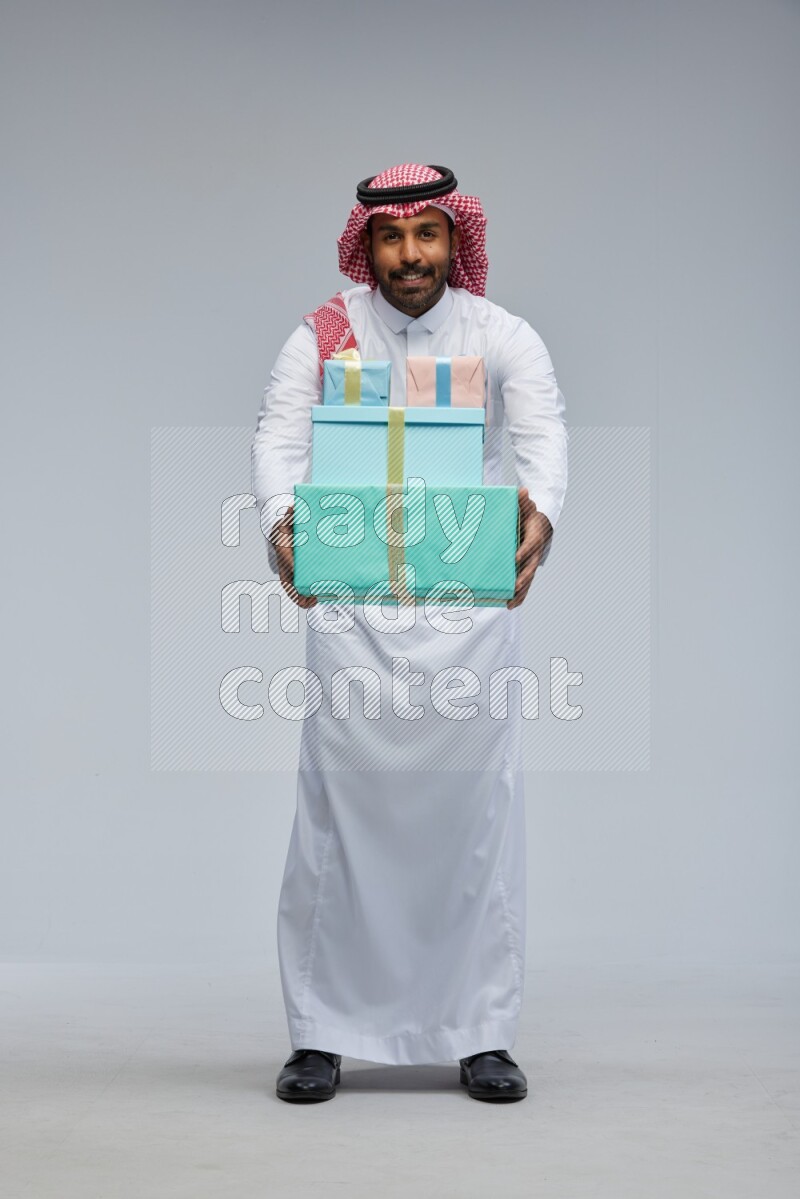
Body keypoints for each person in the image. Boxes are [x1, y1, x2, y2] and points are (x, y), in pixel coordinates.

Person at [251, 164, 568, 1103]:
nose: (410, 255)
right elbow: (279, 437)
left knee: (475, 820)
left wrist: (542, 513)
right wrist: (281, 519)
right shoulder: (324, 333)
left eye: (427, 234)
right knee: (337, 818)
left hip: (466, 606)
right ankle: (321, 1033)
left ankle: (481, 1032)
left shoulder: (500, 334)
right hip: (353, 605)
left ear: (454, 240)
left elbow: (543, 434)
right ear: (369, 245)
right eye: (392, 237)